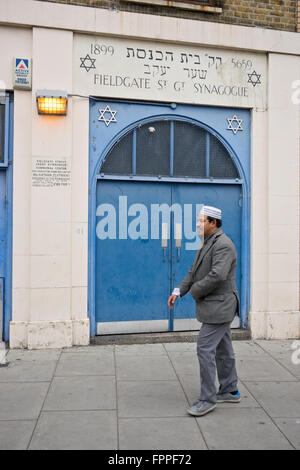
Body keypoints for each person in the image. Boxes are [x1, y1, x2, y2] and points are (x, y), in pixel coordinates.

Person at [168, 205, 240, 417]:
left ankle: (207, 399)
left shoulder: (224, 245)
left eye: (202, 221)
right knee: (223, 349)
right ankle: (230, 390)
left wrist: (194, 292)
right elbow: (194, 271)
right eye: (198, 220)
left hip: (220, 305)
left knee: (205, 349)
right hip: (216, 304)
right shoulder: (206, 242)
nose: (198, 224)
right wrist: (179, 291)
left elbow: (217, 275)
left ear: (214, 223)